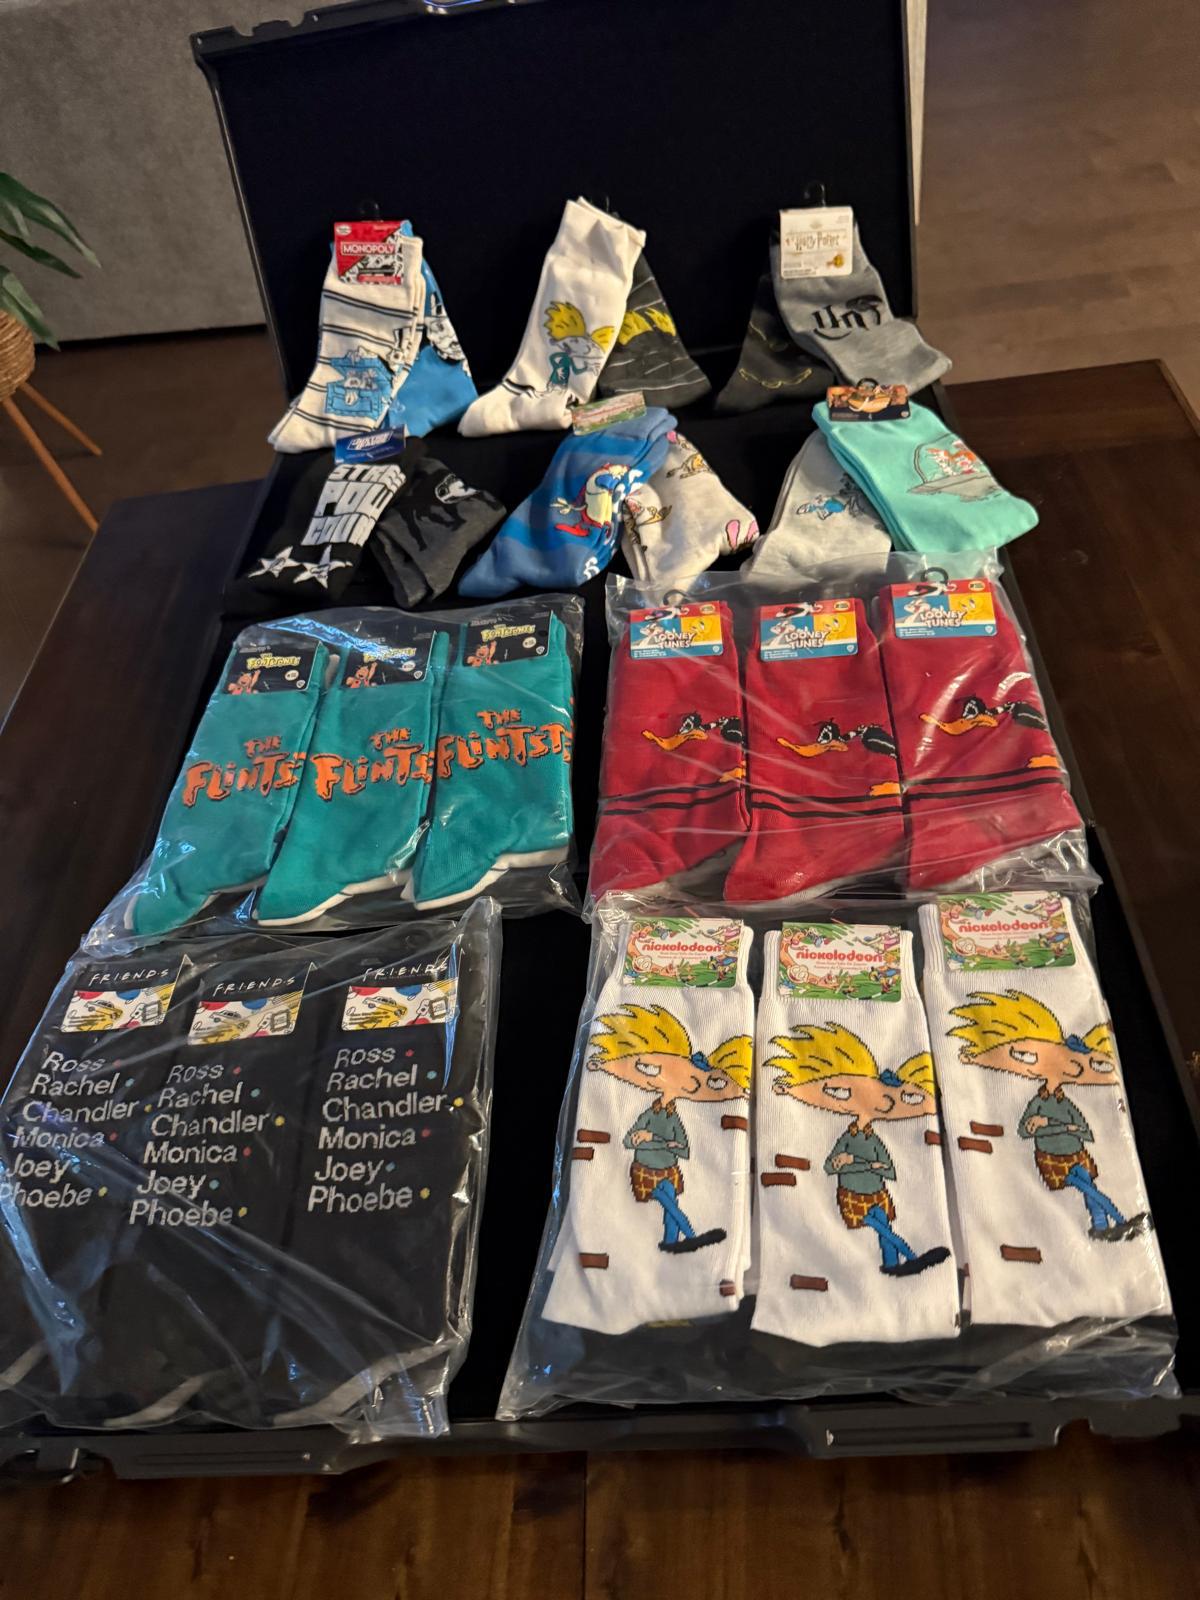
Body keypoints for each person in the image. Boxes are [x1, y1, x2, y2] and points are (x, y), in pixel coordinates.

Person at [586, 1004, 751, 1255]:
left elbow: (683, 1148)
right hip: (645, 1169)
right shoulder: (648, 1114)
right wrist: (657, 1141)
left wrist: (652, 1139)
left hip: (668, 1170)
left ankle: (671, 1242)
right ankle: (692, 1236)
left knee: (669, 1205)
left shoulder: (673, 1119)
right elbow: (629, 1140)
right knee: (669, 1205)